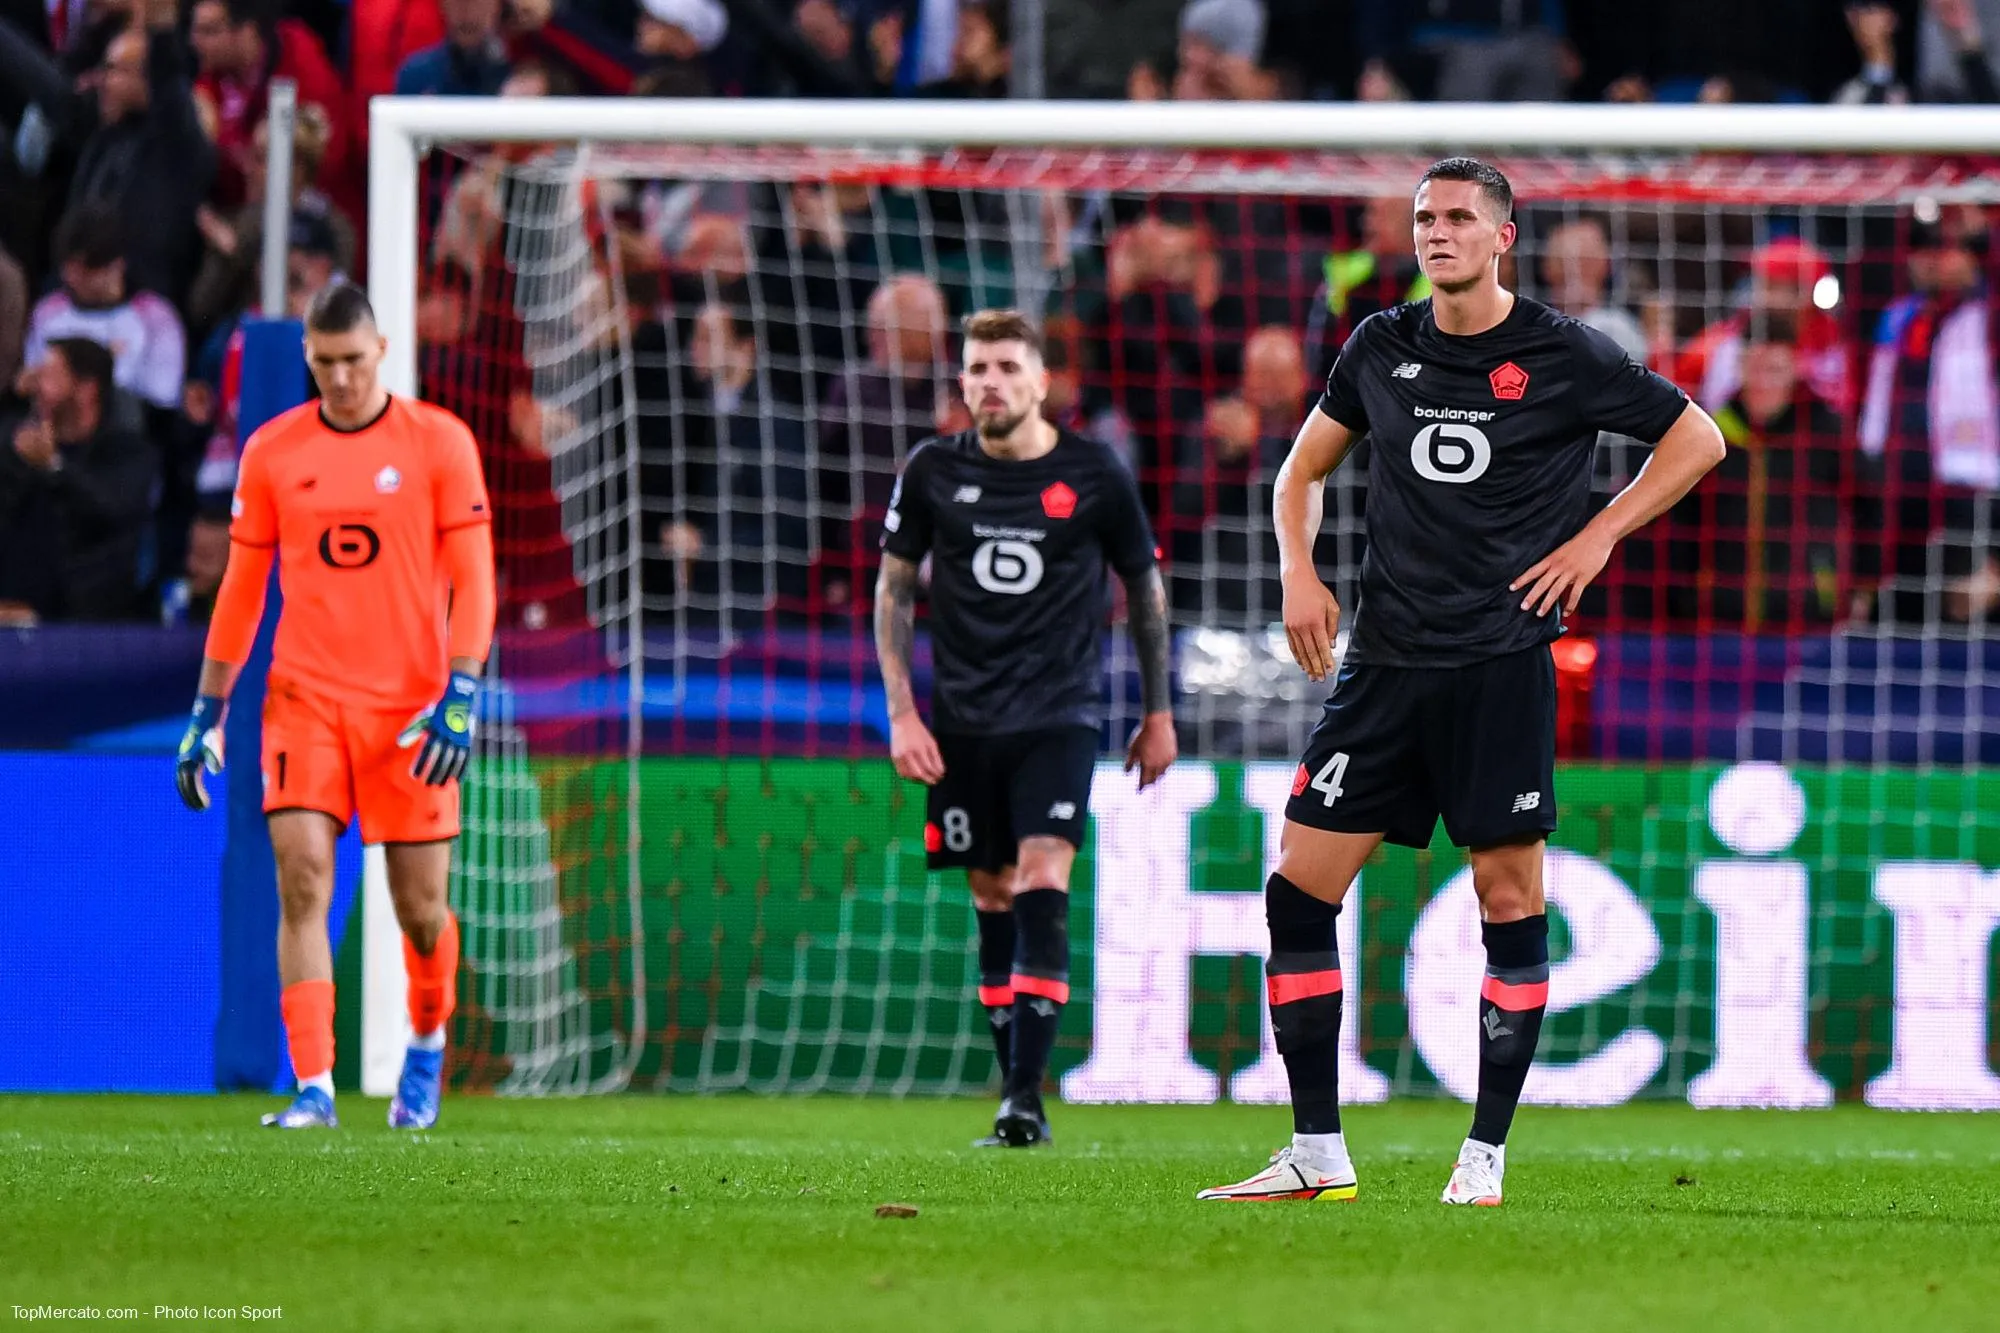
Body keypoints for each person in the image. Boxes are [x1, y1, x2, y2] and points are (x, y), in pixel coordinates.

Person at [1197, 159, 1724, 1206]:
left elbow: (1695, 438)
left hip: (1498, 662)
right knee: (1296, 892)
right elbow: (1297, 470)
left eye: (1455, 219)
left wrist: (1597, 538)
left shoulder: (1560, 353)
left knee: (1507, 897)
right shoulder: (1378, 346)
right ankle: (1315, 1150)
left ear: (1501, 237)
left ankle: (1481, 1157)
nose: (1434, 234)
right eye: (1422, 219)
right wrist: (1299, 574)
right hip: (1384, 666)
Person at [172, 282, 497, 1132]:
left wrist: (461, 690)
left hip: (412, 711)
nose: (341, 379)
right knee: (302, 879)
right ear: (307, 359)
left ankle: (425, 1043)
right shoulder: (274, 452)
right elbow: (242, 591)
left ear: (381, 350)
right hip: (303, 700)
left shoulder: (439, 444)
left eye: (353, 361)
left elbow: (474, 580)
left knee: (421, 910)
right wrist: (208, 711)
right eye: (324, 364)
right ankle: (314, 1086)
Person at [874, 308, 1178, 1148]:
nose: (990, 383)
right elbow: (894, 589)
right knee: (992, 892)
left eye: (1007, 367)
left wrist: (1158, 712)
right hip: (963, 722)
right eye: (976, 369)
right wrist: (902, 711)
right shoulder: (932, 469)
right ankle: (1017, 1088)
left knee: (1045, 876)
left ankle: (1022, 1098)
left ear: (1042, 382)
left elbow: (1143, 590)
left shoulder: (1092, 473)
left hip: (1059, 714)